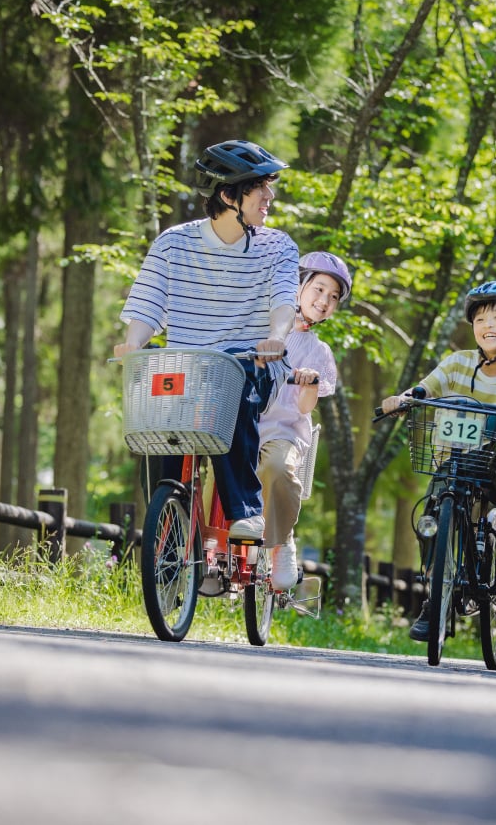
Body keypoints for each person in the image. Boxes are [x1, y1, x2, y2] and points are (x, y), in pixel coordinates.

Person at [114, 139, 299, 541]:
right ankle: (170, 532)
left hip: (255, 362)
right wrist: (133, 343)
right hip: (190, 368)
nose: (270, 196)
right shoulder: (173, 243)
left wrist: (276, 337)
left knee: (233, 382)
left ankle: (245, 512)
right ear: (229, 194)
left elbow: (285, 302)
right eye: (260, 187)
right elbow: (147, 307)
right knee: (164, 428)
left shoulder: (278, 247)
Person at [382, 281, 496, 641]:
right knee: (430, 518)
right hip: (452, 461)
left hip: (494, 465)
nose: (487, 325)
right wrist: (405, 398)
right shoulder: (457, 363)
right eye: (480, 319)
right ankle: (433, 597)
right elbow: (427, 387)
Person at [257, 252, 351, 589]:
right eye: (319, 289)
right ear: (299, 285)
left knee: (278, 468)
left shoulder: (318, 351)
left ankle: (282, 544)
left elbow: (304, 407)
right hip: (240, 425)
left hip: (282, 430)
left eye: (333, 297)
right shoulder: (259, 326)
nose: (325, 301)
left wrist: (309, 381)